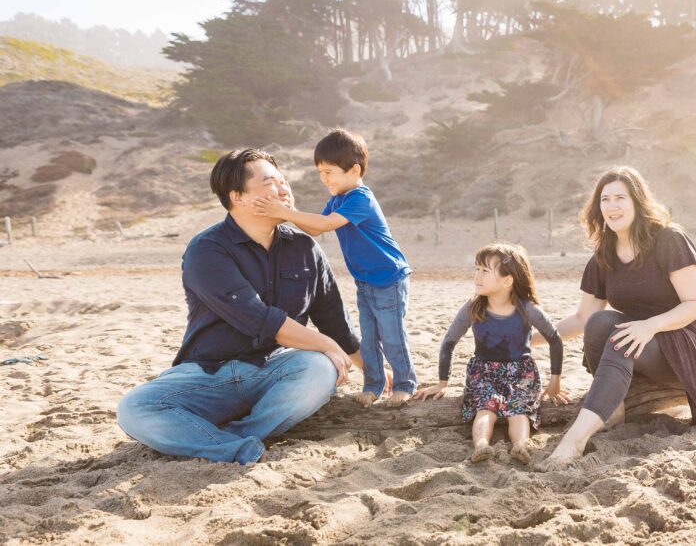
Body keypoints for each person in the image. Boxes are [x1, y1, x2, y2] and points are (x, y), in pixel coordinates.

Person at [116, 148, 365, 465]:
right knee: (134, 408)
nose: (284, 189)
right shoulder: (207, 249)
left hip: (274, 372)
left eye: (284, 181)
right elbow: (258, 319)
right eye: (270, 183)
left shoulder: (304, 248)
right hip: (207, 375)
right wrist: (327, 344)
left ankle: (234, 434)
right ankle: (238, 448)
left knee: (318, 367)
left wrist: (372, 371)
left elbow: (335, 322)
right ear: (238, 196)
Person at [538, 166, 696, 471]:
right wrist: (527, 337)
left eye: (620, 198)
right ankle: (614, 411)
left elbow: (695, 304)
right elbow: (583, 317)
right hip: (636, 343)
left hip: (683, 343)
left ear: (637, 202)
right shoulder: (605, 253)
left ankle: (573, 442)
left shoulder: (669, 239)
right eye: (605, 199)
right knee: (601, 323)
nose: (612, 206)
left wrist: (649, 326)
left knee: (620, 337)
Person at [253, 129, 416, 408]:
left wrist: (285, 213)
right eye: (320, 173)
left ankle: (404, 384)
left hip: (389, 278)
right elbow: (316, 228)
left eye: (330, 172)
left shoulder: (360, 198)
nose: (324, 179)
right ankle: (374, 385)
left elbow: (326, 225)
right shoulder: (338, 199)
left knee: (392, 335)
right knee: (369, 335)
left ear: (353, 170)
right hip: (365, 281)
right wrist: (290, 212)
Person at [414, 243, 568, 463]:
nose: (477, 275)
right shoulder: (474, 308)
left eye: (485, 271)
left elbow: (555, 339)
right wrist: (442, 382)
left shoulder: (528, 309)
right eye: (476, 269)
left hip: (521, 373)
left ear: (507, 280)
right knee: (485, 410)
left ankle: (520, 446)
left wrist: (555, 382)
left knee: (518, 412)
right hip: (484, 371)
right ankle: (482, 445)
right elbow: (449, 341)